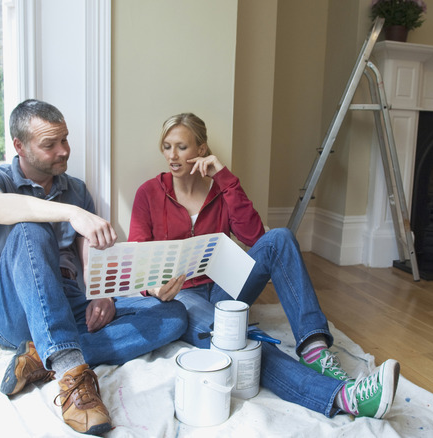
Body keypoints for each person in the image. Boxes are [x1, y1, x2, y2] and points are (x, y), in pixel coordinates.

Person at [129, 112, 401, 419]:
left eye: (181, 147)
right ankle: (344, 398)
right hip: (181, 297)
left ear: (202, 150)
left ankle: (314, 348)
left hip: (223, 286)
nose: (172, 156)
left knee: (280, 238)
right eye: (167, 147)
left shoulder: (220, 189)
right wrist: (153, 287)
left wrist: (225, 179)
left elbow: (255, 237)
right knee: (242, 342)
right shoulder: (149, 193)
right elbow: (139, 258)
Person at [0, 99, 188, 436]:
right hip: (10, 311)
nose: (63, 151)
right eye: (50, 144)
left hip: (70, 302)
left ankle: (40, 357)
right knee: (31, 227)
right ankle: (71, 373)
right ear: (20, 146)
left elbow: (91, 256)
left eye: (65, 140)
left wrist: (105, 296)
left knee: (174, 315)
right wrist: (71, 214)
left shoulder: (77, 190)